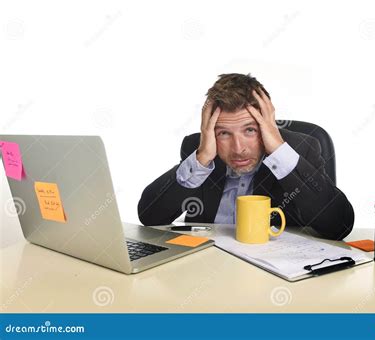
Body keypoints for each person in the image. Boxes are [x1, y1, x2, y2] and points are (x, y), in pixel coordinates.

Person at [138, 73, 354, 240]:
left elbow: (338, 226)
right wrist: (202, 158)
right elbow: (150, 216)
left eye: (250, 130)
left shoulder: (300, 148)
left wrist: (279, 151)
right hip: (205, 273)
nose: (238, 148)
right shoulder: (200, 151)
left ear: (268, 124)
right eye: (224, 133)